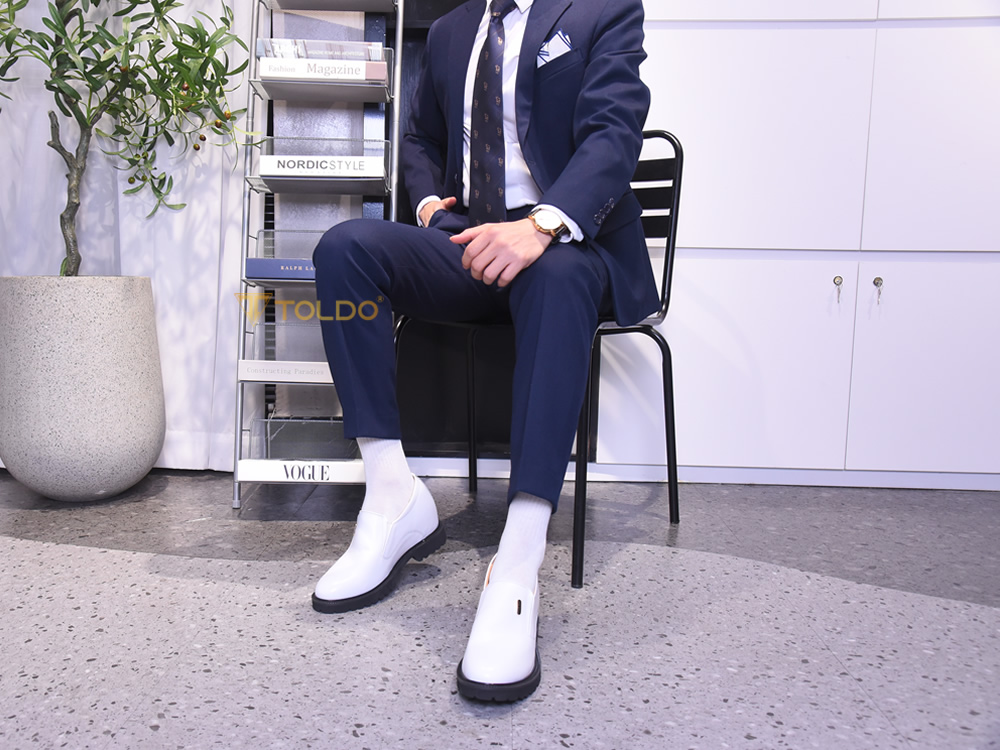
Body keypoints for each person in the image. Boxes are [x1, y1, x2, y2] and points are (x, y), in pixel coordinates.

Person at [310, 0, 654, 703]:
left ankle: (518, 560)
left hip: (562, 244)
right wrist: (430, 206)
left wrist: (541, 225)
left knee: (557, 278)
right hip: (470, 243)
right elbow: (418, 138)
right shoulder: (451, 30)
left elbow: (613, 135)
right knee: (344, 250)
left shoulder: (602, 9)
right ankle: (392, 497)